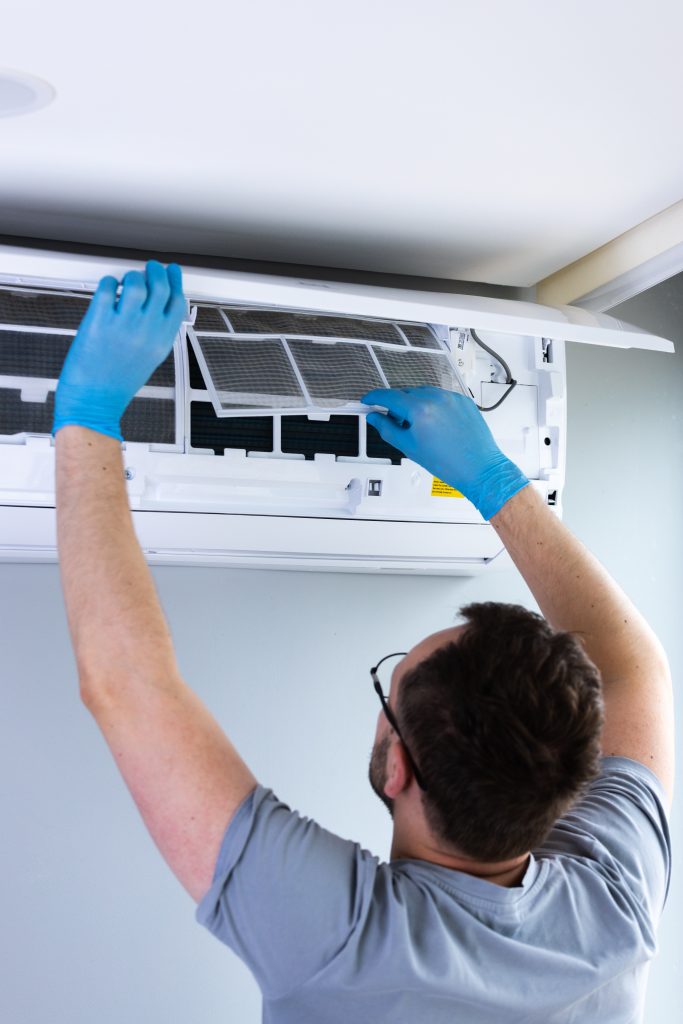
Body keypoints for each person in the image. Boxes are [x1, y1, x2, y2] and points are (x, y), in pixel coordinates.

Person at [52, 261, 673, 1023]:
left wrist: (87, 407)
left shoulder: (348, 940)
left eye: (392, 684)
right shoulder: (611, 899)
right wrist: (490, 477)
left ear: (398, 765)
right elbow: (632, 671)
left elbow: (128, 683)